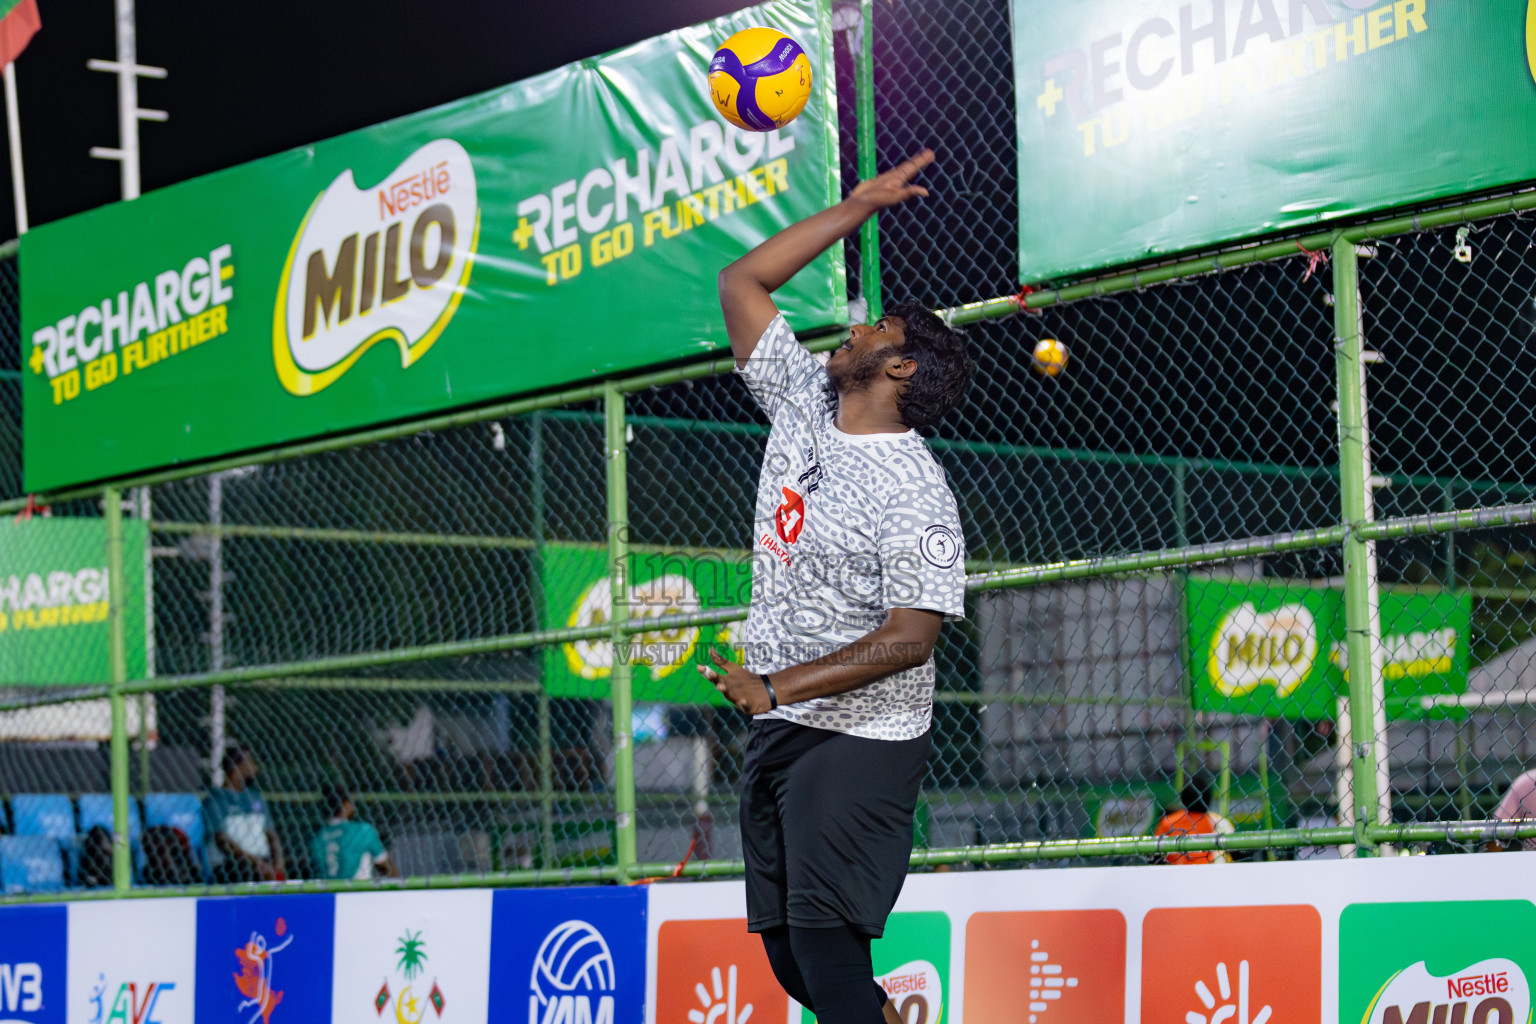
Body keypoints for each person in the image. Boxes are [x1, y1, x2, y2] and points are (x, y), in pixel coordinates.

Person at [699, 149, 972, 1024]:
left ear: (902, 370)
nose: (856, 329)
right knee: (790, 960)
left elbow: (911, 638)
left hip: (862, 735)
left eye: (878, 330)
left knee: (826, 948)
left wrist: (775, 684)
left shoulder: (914, 487)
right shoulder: (802, 401)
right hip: (781, 721)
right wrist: (855, 207)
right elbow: (742, 280)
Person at [203, 744, 285, 883]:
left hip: (263, 861)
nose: (255, 769)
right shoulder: (216, 801)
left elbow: (271, 834)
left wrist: (278, 862)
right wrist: (257, 864)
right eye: (251, 764)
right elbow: (223, 840)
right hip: (234, 864)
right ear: (236, 769)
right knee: (245, 872)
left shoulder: (256, 797)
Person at [310, 782, 395, 879]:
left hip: (328, 891)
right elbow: (385, 866)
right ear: (345, 805)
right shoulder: (363, 831)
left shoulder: (318, 837)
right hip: (356, 891)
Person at [1152, 777, 1236, 865]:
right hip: (1209, 870)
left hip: (1177, 871)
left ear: (1183, 797)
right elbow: (1236, 854)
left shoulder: (1169, 822)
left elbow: (1156, 854)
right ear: (1209, 798)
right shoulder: (1218, 822)